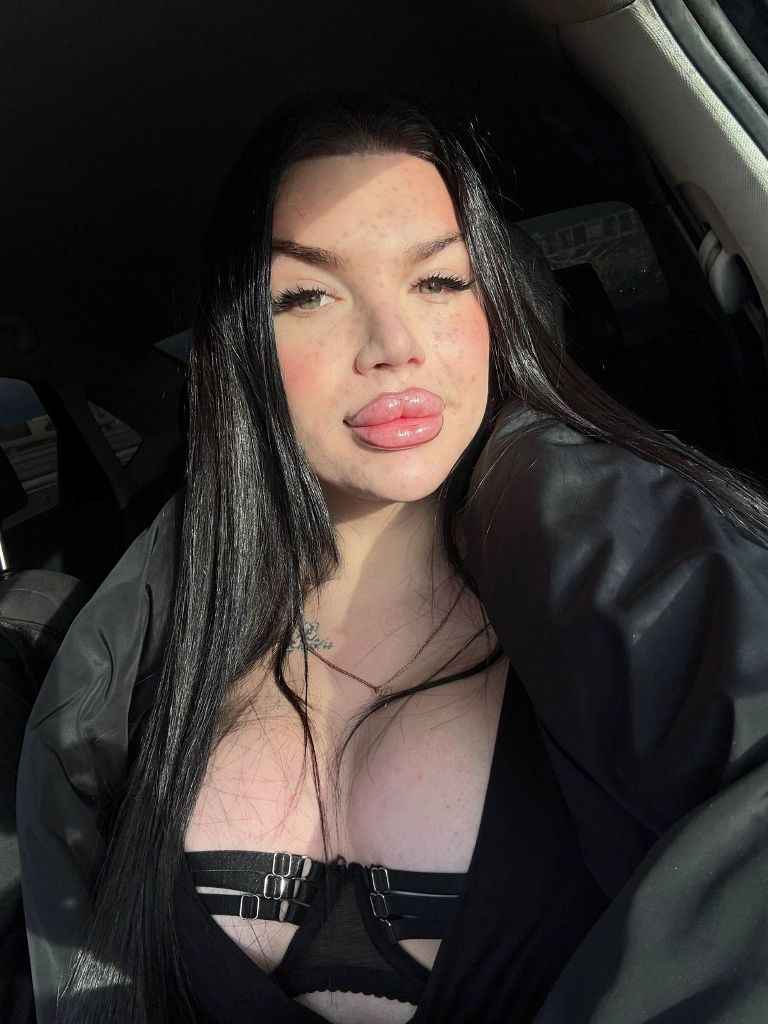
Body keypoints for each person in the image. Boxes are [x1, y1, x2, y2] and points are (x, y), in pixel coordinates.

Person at [16, 92, 768, 1024]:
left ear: (495, 309)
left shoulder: (640, 602)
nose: (394, 345)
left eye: (439, 281)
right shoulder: (143, 670)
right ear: (238, 351)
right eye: (307, 295)